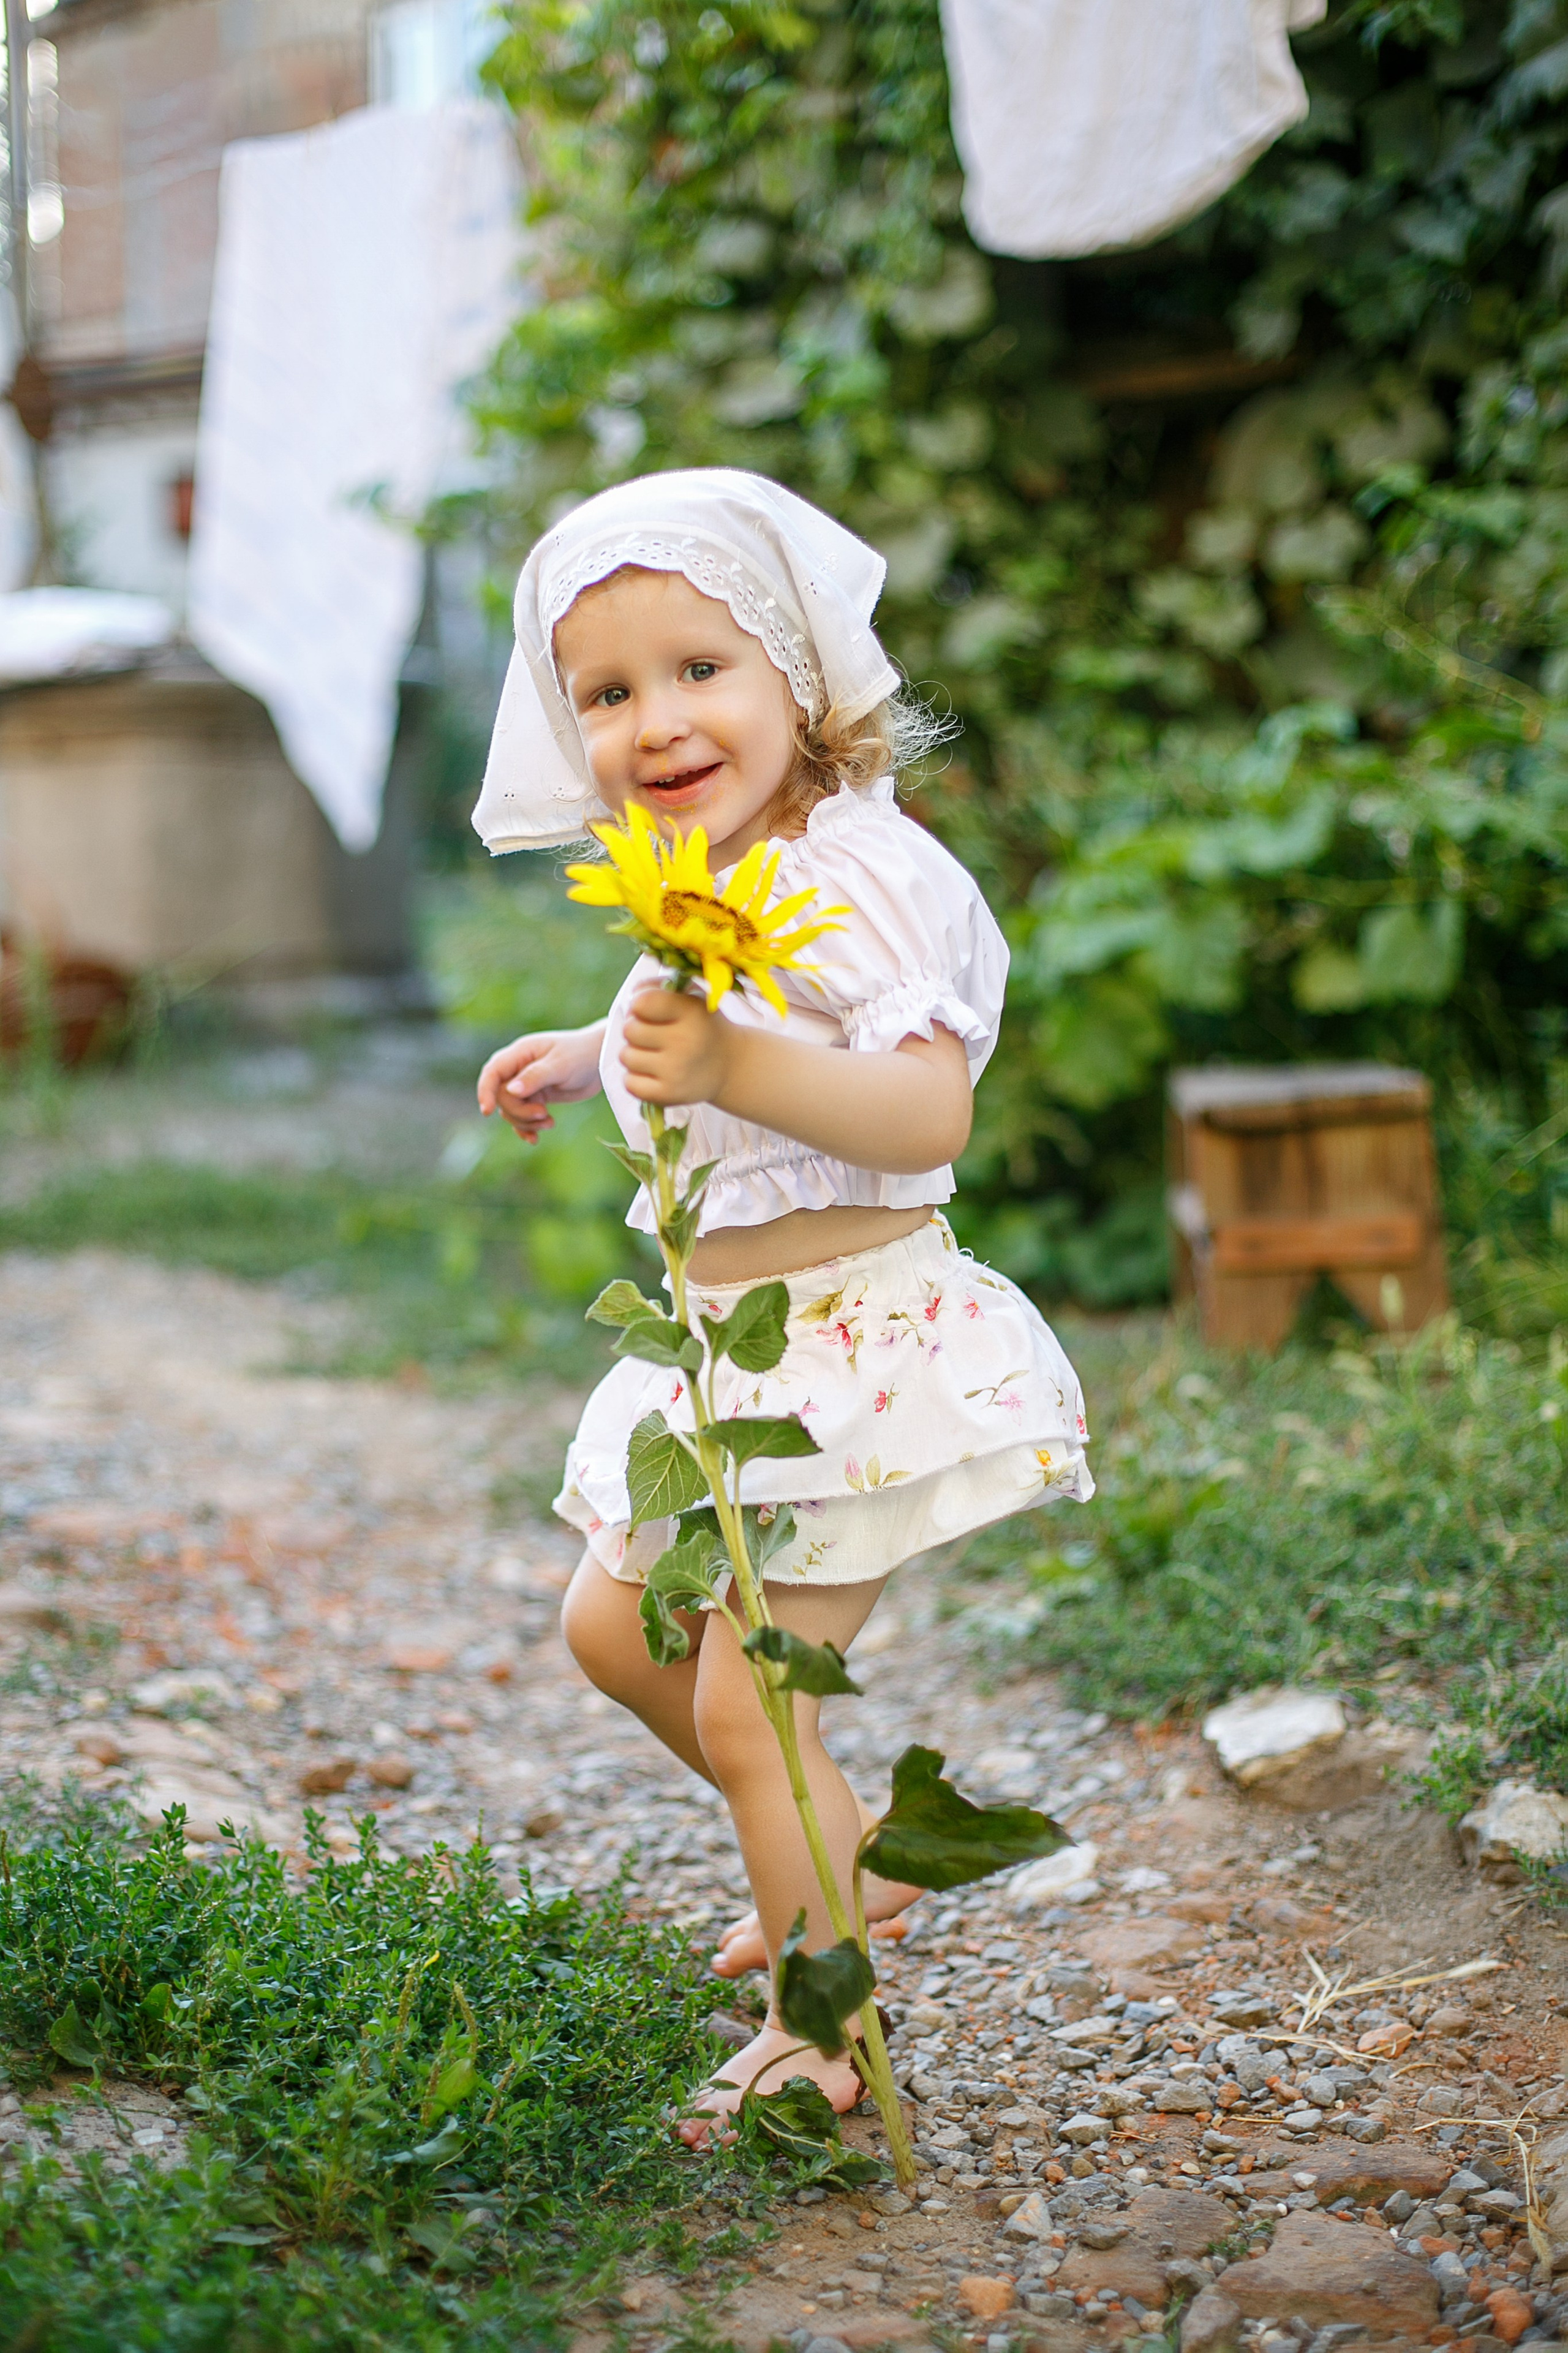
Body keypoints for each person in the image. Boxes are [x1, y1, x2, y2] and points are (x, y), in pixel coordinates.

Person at [472, 469, 1093, 2139]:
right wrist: (595, 1049)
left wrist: (734, 1057)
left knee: (753, 1696)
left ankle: (821, 2028)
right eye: (607, 691)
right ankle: (837, 1852)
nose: (654, 722)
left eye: (698, 669)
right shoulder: (712, 870)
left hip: (848, 1351)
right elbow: (701, 1020)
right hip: (724, 1366)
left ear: (800, 682)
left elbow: (920, 1113)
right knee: (612, 1630)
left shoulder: (864, 870)